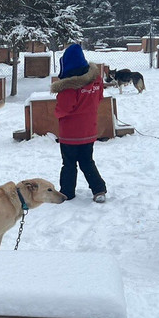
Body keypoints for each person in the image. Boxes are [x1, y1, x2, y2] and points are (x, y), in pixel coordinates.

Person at [51, 43, 107, 203]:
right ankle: (99, 189)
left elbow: (63, 108)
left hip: (70, 134)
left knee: (68, 164)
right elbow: (99, 97)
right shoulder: (96, 81)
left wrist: (57, 113)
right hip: (89, 131)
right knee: (87, 161)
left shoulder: (68, 87)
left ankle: (67, 192)